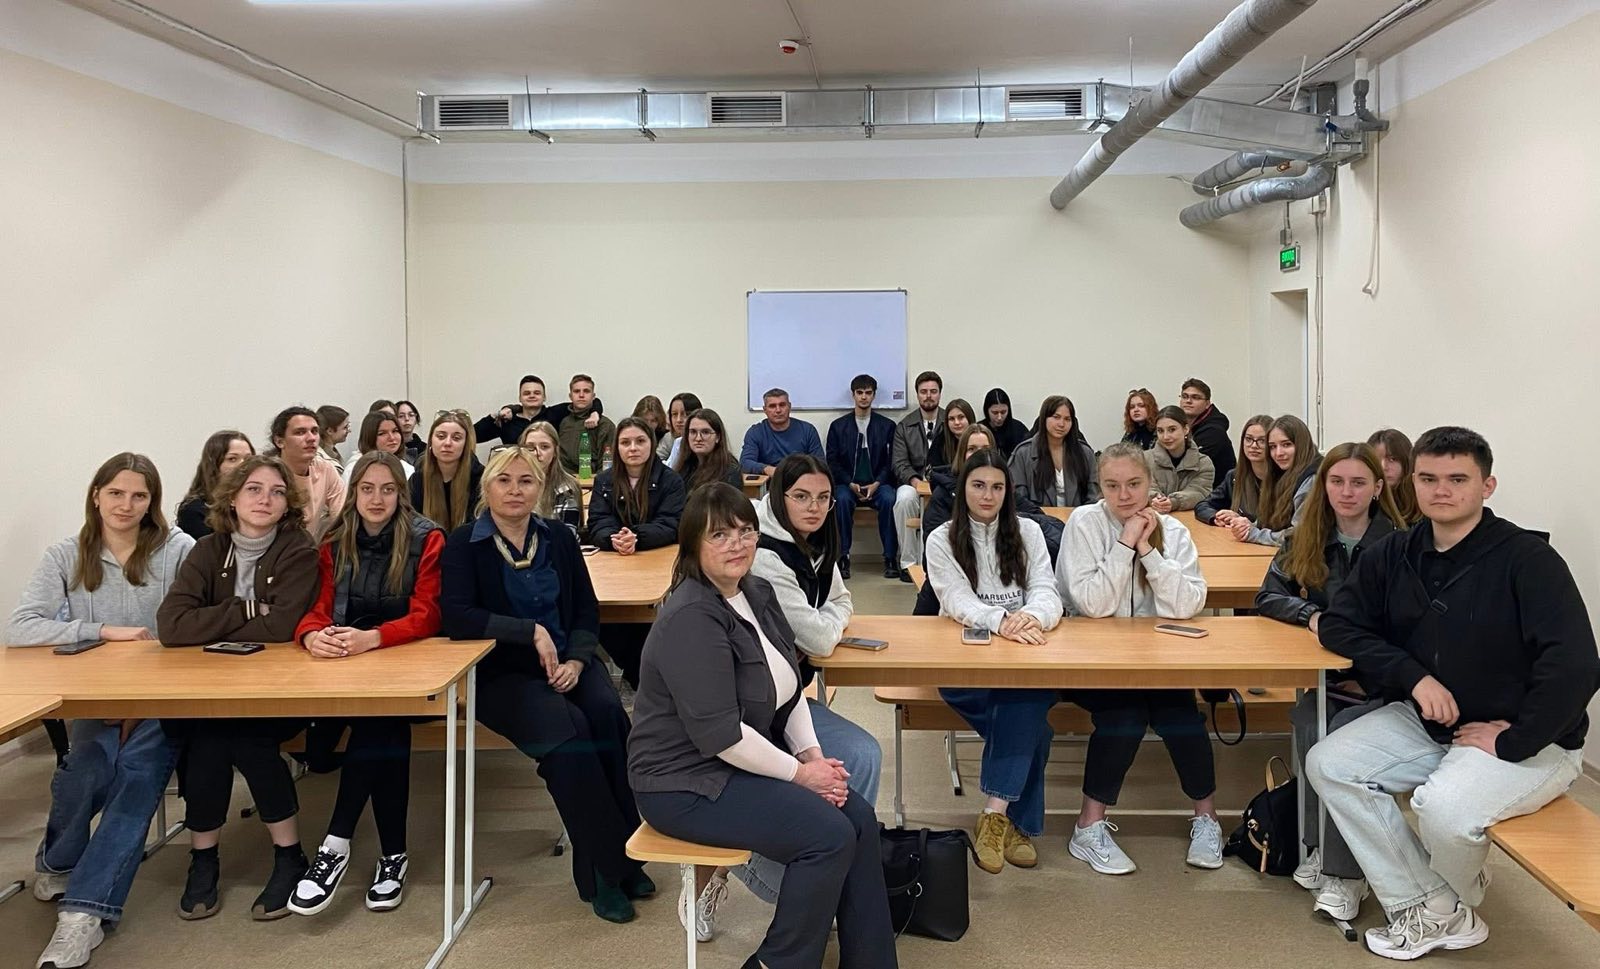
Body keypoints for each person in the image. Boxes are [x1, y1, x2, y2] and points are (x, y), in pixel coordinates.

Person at [1308, 426, 1599, 961]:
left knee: (1440, 810)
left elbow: (1576, 664)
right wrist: (1413, 676)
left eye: (1458, 479)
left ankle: (1442, 900)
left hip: (1532, 738)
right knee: (1330, 763)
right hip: (1433, 724)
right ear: (1412, 483)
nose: (1441, 490)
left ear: (1487, 486)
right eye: (1428, 478)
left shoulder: (1528, 560)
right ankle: (1437, 904)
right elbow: (1338, 625)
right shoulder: (1395, 552)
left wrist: (1515, 739)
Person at [629, 483, 898, 969]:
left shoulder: (756, 591)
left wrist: (813, 757)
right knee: (828, 836)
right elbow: (723, 736)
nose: (737, 544)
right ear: (692, 544)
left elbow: (789, 690)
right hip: (684, 782)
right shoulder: (691, 615)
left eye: (745, 531)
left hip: (736, 762)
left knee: (857, 818)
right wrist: (802, 775)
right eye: (719, 535)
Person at [680, 453, 887, 942]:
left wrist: (827, 622)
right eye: (801, 496)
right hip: (733, 722)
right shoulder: (762, 556)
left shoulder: (816, 542)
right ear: (779, 496)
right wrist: (827, 626)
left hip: (778, 703)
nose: (814, 507)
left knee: (860, 754)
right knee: (777, 779)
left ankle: (818, 874)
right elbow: (818, 639)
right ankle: (725, 872)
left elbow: (839, 604)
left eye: (823, 497)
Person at [440, 446, 648, 922]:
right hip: (503, 675)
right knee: (569, 738)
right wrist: (528, 631)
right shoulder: (465, 543)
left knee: (609, 718)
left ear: (540, 488)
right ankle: (606, 870)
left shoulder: (558, 537)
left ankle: (628, 852)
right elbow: (457, 616)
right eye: (504, 480)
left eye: (526, 481)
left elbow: (586, 609)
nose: (515, 490)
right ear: (487, 487)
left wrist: (576, 660)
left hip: (570, 662)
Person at [5, 453, 194, 969]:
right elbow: (20, 627)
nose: (126, 505)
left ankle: (83, 914)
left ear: (152, 502)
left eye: (139, 496)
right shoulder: (66, 554)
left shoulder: (179, 550)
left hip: (162, 700)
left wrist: (147, 684)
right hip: (96, 699)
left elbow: (204, 626)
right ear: (96, 495)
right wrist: (103, 631)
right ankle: (58, 861)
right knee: (86, 766)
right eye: (115, 493)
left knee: (137, 773)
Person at [156, 455, 321, 921]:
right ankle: (204, 858)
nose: (265, 499)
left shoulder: (298, 549)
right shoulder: (208, 550)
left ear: (288, 504)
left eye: (276, 491)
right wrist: (247, 609)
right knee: (209, 737)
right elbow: (171, 625)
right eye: (254, 489)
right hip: (215, 688)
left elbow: (284, 625)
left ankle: (289, 857)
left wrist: (214, 620)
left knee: (246, 737)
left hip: (282, 691)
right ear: (232, 498)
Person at [287, 451, 444, 917]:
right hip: (346, 668)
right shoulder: (335, 541)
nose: (377, 499)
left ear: (402, 494)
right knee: (383, 731)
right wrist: (312, 635)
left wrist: (374, 637)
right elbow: (319, 607)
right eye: (368, 489)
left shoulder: (428, 538)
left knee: (382, 722)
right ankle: (393, 855)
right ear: (353, 492)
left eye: (388, 489)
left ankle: (335, 845)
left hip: (409, 668)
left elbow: (428, 614)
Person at [1256, 442, 1404, 923]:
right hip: (1331, 678)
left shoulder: (1400, 544)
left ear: (1377, 488)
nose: (1346, 491)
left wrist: (1367, 671)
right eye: (1336, 481)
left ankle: (1347, 875)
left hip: (1385, 684)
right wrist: (1310, 614)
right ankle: (1317, 844)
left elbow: (1407, 627)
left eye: (1358, 482)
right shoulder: (1307, 535)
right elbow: (1268, 595)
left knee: (1337, 739)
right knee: (1308, 720)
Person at [1057, 442, 1218, 875]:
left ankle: (1206, 818)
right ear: (1099, 485)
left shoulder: (1174, 531)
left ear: (1151, 483)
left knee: (1182, 717)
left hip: (1155, 662)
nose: (1124, 495)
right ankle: (1088, 826)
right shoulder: (1084, 524)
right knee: (1124, 717)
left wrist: (1149, 550)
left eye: (1133, 484)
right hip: (1091, 661)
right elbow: (1093, 604)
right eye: (1112, 485)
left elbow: (1187, 604)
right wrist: (1125, 543)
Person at [926, 451, 1064, 875]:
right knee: (1033, 726)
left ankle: (994, 815)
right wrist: (1002, 620)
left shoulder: (1028, 532)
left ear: (1008, 491)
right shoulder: (942, 538)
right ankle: (1020, 825)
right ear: (963, 489)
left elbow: (1046, 590)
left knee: (1023, 699)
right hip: (964, 665)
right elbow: (955, 599)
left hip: (1025, 655)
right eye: (979, 485)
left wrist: (1032, 616)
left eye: (997, 487)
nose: (988, 495)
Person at [589, 417, 688, 690]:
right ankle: (641, 676)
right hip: (614, 563)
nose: (632, 448)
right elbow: (596, 522)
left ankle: (645, 677)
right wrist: (614, 538)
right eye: (625, 442)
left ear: (651, 444)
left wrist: (637, 538)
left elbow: (672, 523)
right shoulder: (604, 480)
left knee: (648, 619)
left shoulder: (671, 480)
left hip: (654, 561)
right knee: (603, 615)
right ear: (617, 447)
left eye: (640, 441)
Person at [825, 374, 898, 580]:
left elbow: (891, 461)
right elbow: (832, 462)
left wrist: (877, 483)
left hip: (878, 484)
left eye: (868, 393)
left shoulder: (887, 426)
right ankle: (842, 556)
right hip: (847, 484)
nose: (864, 397)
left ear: (874, 395)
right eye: (860, 393)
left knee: (889, 499)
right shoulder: (838, 426)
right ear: (853, 395)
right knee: (840, 500)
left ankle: (890, 558)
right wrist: (850, 483)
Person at [890, 371, 945, 580]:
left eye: (933, 391)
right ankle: (908, 563)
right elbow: (899, 462)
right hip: (913, 481)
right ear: (917, 394)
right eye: (924, 392)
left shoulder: (951, 420)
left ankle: (939, 562)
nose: (928, 396)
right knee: (904, 500)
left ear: (940, 394)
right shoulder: (905, 426)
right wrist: (915, 481)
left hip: (944, 482)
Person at [1009, 395, 1098, 511]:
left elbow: (1093, 497)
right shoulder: (1023, 453)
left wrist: (1080, 517)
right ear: (1044, 418)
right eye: (1056, 417)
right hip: (1036, 519)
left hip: (1078, 518)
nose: (1061, 424)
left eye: (1067, 419)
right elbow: (1019, 500)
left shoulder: (1085, 453)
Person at [270, 406, 346, 541]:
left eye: (315, 431)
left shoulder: (325, 468)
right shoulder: (267, 474)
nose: (311, 438)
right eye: (300, 432)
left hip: (308, 549)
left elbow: (343, 516)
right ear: (279, 441)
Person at [1245, 414, 1322, 546]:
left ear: (1301, 444)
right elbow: (1268, 520)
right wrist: (1248, 526)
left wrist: (1255, 534)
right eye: (1272, 447)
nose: (1278, 453)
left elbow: (1299, 535)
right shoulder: (1281, 473)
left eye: (1286, 445)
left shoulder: (1312, 478)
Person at [474, 374, 603, 449]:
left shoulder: (555, 413)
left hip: (548, 475)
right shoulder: (507, 420)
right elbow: (474, 435)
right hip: (515, 474)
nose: (532, 396)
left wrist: (595, 413)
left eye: (537, 393)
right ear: (520, 398)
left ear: (544, 397)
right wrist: (495, 415)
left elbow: (587, 401)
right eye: (527, 393)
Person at [410, 410, 483, 533]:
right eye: (441, 436)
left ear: (465, 445)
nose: (447, 443)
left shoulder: (480, 479)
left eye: (456, 438)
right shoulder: (417, 480)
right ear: (431, 441)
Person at [1195, 414, 1272, 531]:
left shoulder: (1282, 479)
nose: (1254, 445)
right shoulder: (1234, 476)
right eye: (1249, 439)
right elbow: (1202, 506)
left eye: (1262, 440)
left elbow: (1280, 526)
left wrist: (1242, 520)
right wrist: (1216, 517)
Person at [176, 431, 254, 539]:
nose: (243, 465)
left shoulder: (260, 503)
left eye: (248, 459)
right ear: (215, 465)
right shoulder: (194, 510)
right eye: (232, 459)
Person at [1143, 405, 1217, 513]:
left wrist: (1174, 502)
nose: (1165, 437)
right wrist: (1156, 500)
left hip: (1188, 520)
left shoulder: (1203, 463)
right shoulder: (1144, 459)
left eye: (1172, 430)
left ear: (1186, 429)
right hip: (1152, 516)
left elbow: (1200, 493)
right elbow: (1144, 488)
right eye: (1160, 431)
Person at [740, 387, 824, 476]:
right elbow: (745, 463)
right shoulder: (755, 433)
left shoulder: (807, 430)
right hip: (770, 480)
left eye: (782, 405)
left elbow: (820, 463)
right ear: (765, 410)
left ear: (789, 407)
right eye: (772, 406)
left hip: (801, 479)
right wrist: (769, 470)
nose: (778, 410)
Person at [520, 421, 583, 533]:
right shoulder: (511, 485)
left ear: (555, 451)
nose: (537, 453)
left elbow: (568, 535)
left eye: (544, 447)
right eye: (530, 447)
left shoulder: (566, 488)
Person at [671, 408, 743, 492]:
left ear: (718, 437)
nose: (698, 438)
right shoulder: (684, 466)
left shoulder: (729, 470)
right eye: (693, 432)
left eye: (705, 432)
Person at [558, 374, 617, 477]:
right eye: (576, 391)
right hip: (564, 479)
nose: (581, 395)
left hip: (592, 479)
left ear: (593, 396)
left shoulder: (605, 425)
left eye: (586, 391)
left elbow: (607, 463)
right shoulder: (564, 422)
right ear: (570, 396)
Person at [1178, 377, 1234, 479]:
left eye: (1195, 397)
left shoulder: (1214, 431)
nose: (1188, 401)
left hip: (1217, 487)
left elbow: (1189, 465)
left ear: (1207, 404)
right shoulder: (1180, 424)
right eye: (1185, 396)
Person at [342, 410, 415, 486]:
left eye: (395, 431)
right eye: (382, 433)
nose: (392, 438)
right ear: (370, 437)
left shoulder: (407, 469)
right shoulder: (354, 469)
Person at [1368, 428, 1422, 525]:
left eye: (1392, 459)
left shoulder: (1422, 502)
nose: (1384, 467)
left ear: (1406, 461)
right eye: (1377, 459)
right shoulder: (1364, 505)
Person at [927, 398, 977, 470]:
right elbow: (935, 470)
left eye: (961, 417)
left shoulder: (980, 438)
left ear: (969, 418)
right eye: (952, 419)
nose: (956, 422)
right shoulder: (940, 441)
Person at [981, 387, 1031, 457]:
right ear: (987, 411)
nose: (999, 417)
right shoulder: (979, 430)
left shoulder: (1019, 429)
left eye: (1003, 412)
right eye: (995, 413)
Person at [660, 392, 703, 464]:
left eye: (685, 414)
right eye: (674, 414)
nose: (679, 420)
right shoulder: (670, 439)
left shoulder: (705, 439)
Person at [316, 405, 351, 470]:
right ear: (330, 431)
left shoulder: (333, 453)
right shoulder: (320, 460)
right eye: (345, 427)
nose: (349, 431)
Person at [395, 400, 427, 465]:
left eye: (411, 415)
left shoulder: (425, 449)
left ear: (416, 419)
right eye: (401, 416)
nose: (407, 419)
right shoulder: (392, 447)